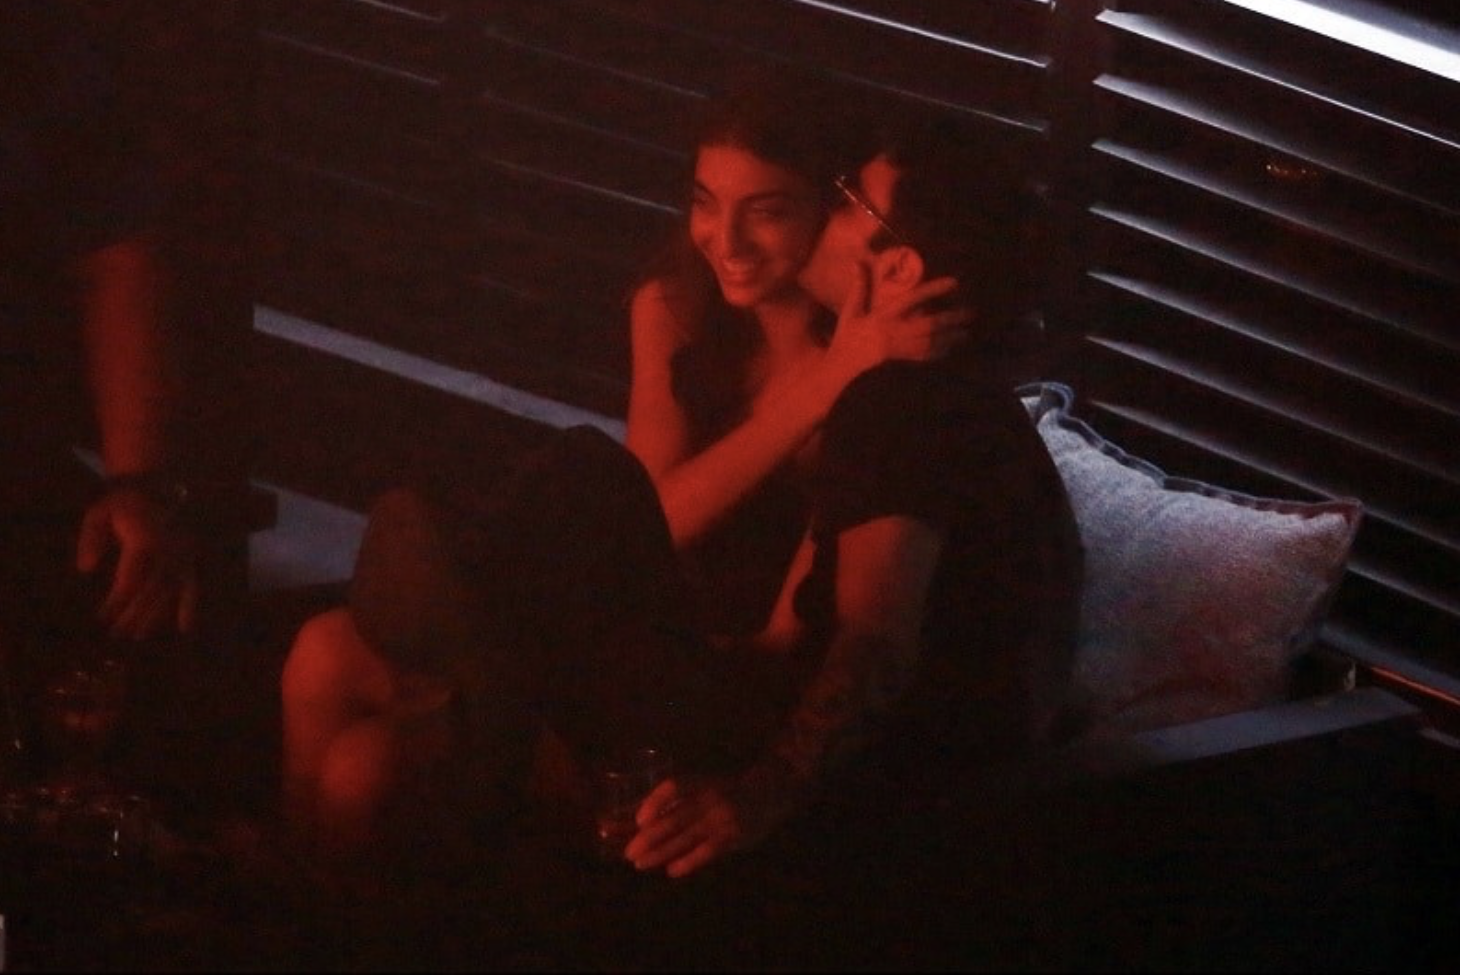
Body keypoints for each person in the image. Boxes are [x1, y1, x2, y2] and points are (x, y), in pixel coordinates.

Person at [277, 75, 1070, 882]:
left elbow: (847, 638)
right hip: (685, 651)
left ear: (897, 265)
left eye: (836, 203)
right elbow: (669, 532)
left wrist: (752, 794)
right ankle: (281, 904)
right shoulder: (810, 361)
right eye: (704, 202)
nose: (727, 241)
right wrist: (831, 379)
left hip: (733, 700)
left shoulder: (905, 405)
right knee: (324, 651)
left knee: (368, 760)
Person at [1, 1, 200, 763]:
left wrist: (137, 483)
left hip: (20, 448)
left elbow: (116, 255)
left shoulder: (43, 49)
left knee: (118, 595)